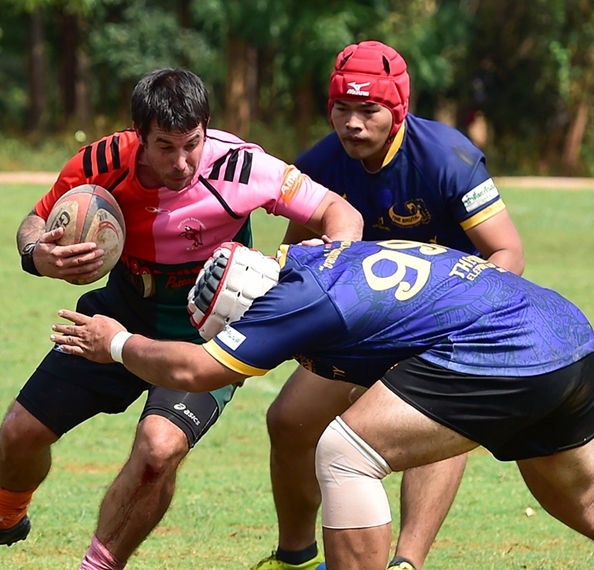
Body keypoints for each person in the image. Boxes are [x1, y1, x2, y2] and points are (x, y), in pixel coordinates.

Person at [51, 239, 594, 570]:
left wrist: (119, 342)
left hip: (508, 348)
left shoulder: (290, 303)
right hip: (565, 332)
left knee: (346, 450)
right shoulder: (311, 262)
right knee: (590, 502)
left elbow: (195, 369)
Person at [0, 67, 362, 570]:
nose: (181, 161)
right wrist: (37, 253)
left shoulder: (241, 165)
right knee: (17, 435)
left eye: (191, 143)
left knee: (158, 448)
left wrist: (307, 269)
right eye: (164, 147)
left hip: (205, 337)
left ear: (206, 127)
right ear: (138, 136)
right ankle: (7, 514)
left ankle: (99, 565)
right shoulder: (103, 160)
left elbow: (340, 213)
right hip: (120, 312)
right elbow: (34, 220)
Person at [259, 40, 525, 570]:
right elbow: (301, 257)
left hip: (442, 327)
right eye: (342, 108)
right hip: (363, 325)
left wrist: (463, 318)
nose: (352, 123)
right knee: (288, 421)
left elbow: (507, 250)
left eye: (368, 109)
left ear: (397, 108)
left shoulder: (446, 158)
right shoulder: (319, 163)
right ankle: (295, 557)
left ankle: (407, 563)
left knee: (437, 424)